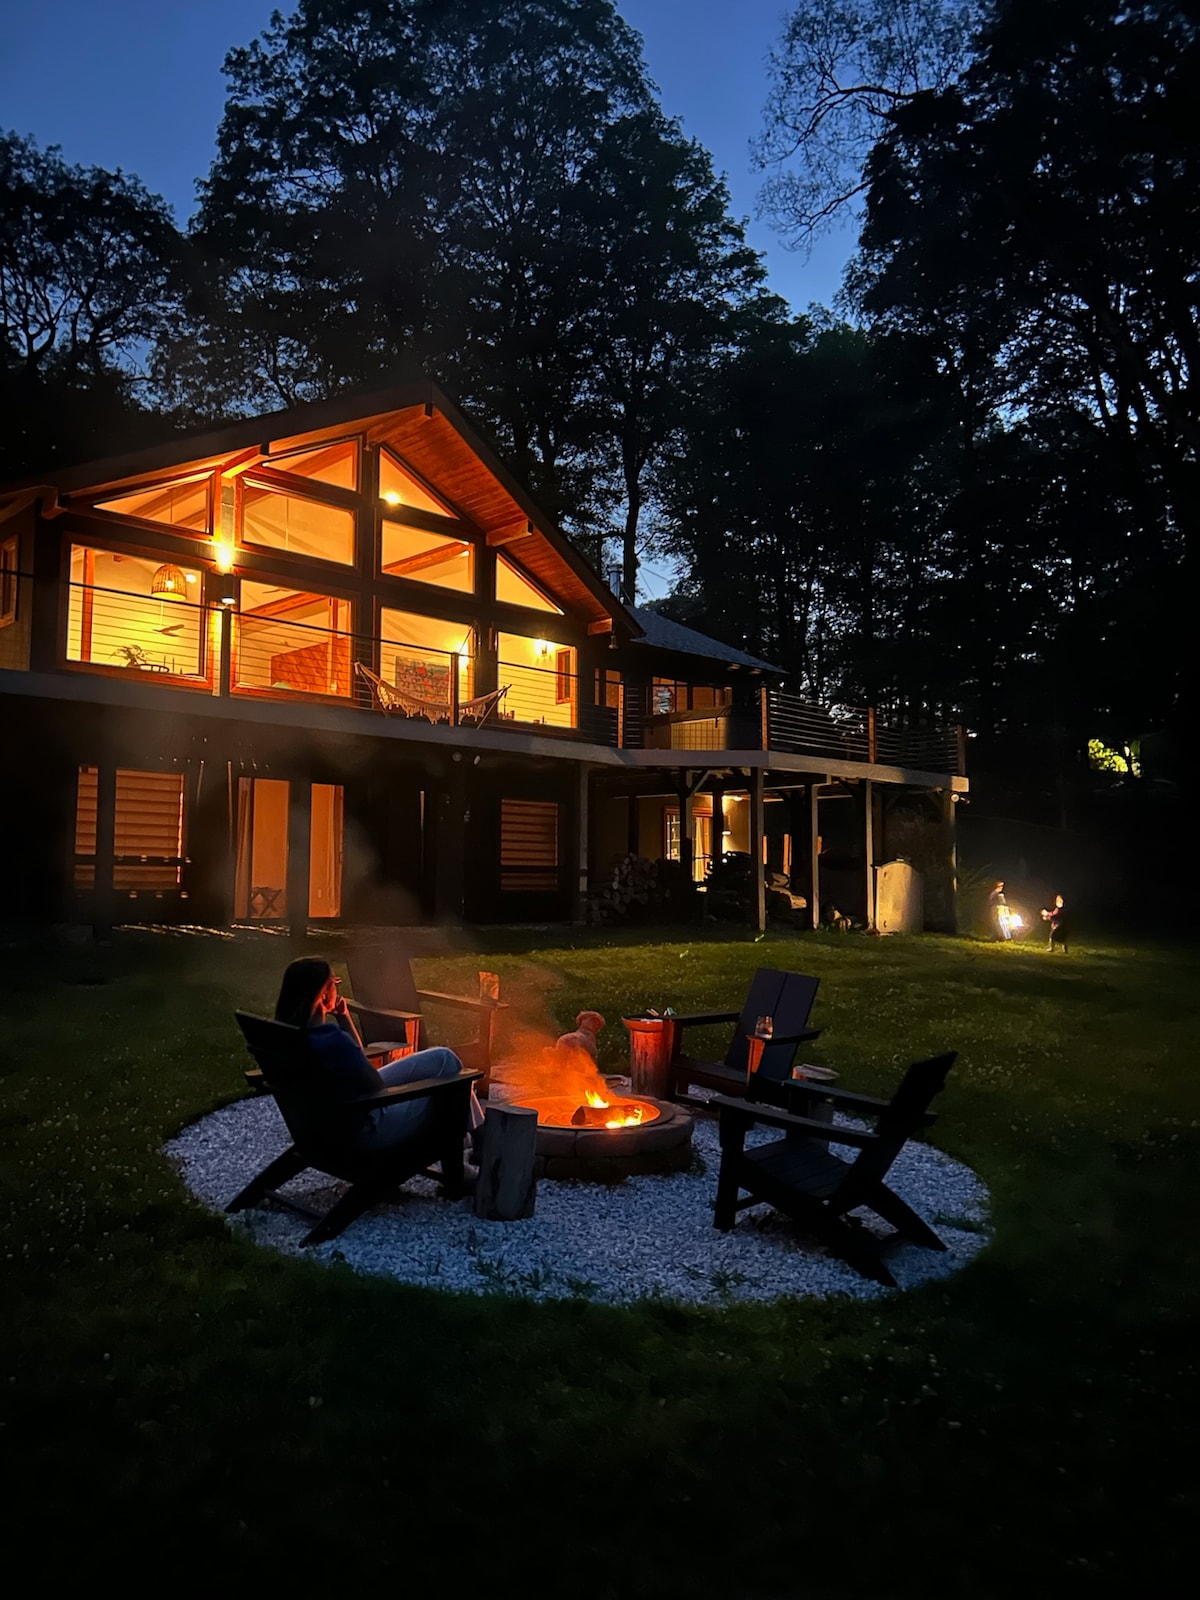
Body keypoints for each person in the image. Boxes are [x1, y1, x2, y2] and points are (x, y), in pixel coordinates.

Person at [273, 957, 483, 1155]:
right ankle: (477, 1144)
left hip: (329, 1122)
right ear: (325, 994)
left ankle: (476, 1136)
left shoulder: (287, 1037)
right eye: (335, 983)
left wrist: (343, 1015)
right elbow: (375, 1086)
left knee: (444, 1058)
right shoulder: (331, 1040)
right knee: (453, 1089)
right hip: (367, 1127)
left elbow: (356, 1058)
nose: (338, 987)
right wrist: (417, 1087)